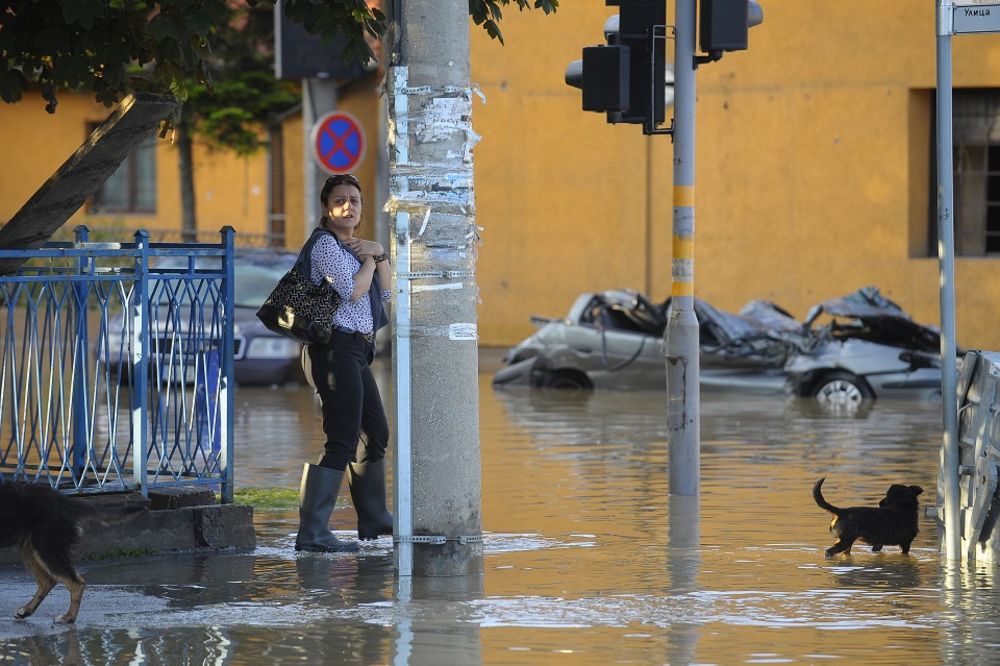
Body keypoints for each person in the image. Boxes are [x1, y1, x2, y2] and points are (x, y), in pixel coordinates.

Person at [294, 173, 394, 553]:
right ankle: (313, 532)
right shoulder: (325, 245)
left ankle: (373, 517)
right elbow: (353, 291)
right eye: (340, 200)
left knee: (375, 431)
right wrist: (370, 257)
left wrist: (379, 253)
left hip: (356, 350)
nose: (348, 206)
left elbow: (386, 291)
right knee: (341, 438)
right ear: (326, 208)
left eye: (355, 199)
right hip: (331, 349)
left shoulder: (357, 248)